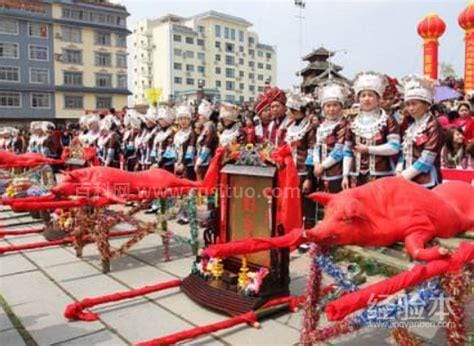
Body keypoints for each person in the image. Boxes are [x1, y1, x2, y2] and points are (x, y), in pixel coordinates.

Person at [342, 72, 401, 189]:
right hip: (356, 176)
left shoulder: (387, 120)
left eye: (370, 95)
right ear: (358, 99)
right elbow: (347, 151)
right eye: (363, 95)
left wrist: (368, 149)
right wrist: (345, 175)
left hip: (381, 176)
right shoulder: (352, 122)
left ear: (378, 98)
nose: (366, 99)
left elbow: (394, 147)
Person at [396, 75, 444, 188]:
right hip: (407, 179)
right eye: (408, 104)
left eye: (414, 104)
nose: (411, 108)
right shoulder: (412, 126)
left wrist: (404, 175)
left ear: (426, 104)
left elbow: (427, 158)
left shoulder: (433, 125)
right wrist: (398, 170)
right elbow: (404, 152)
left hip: (426, 181)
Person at [284, 90, 316, 228]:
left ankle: (307, 235)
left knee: (306, 205)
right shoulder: (290, 127)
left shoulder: (310, 128)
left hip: (304, 172)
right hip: (291, 172)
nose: (287, 113)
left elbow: (312, 152)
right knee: (292, 204)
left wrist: (309, 177)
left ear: (296, 110)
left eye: (289, 110)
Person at [313, 82, 350, 193]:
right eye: (328, 106)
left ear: (341, 107)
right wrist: (316, 164)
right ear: (323, 108)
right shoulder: (321, 126)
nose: (331, 109)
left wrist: (323, 166)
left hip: (336, 174)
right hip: (320, 173)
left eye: (335, 105)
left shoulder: (343, 125)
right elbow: (316, 146)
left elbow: (339, 150)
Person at [195, 99, 218, 180]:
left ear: (205, 117)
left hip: (206, 162)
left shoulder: (210, 127)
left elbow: (207, 146)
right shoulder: (205, 127)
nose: (199, 118)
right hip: (202, 161)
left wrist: (200, 160)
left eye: (200, 116)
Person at [174, 103, 196, 180]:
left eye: (185, 118)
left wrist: (183, 164)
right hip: (177, 165)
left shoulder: (192, 133)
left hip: (188, 166)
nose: (183, 121)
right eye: (181, 119)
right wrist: (176, 162)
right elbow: (174, 151)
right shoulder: (176, 134)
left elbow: (190, 152)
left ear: (189, 120)